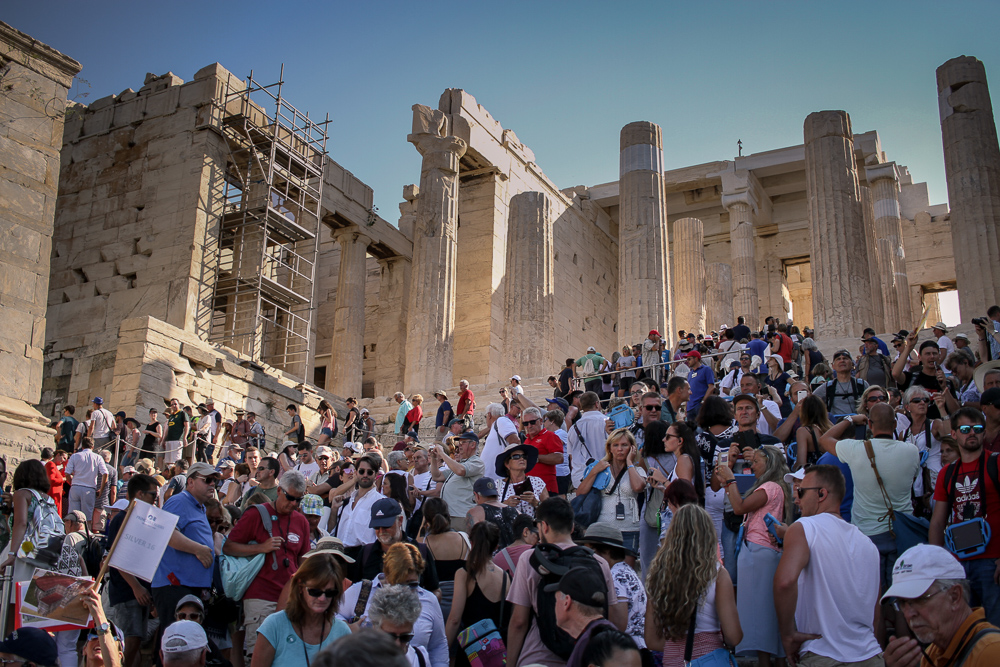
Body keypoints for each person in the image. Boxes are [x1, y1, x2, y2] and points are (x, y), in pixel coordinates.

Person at [819, 403, 920, 632]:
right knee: (900, 596)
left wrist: (852, 420)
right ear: (895, 425)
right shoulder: (911, 451)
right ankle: (903, 647)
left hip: (867, 535)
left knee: (873, 600)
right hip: (901, 532)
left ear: (871, 425)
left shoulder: (857, 449)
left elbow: (825, 439)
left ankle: (878, 651)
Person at [773, 465, 882, 666]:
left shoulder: (804, 528)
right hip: (870, 655)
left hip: (823, 654)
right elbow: (875, 613)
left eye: (801, 491)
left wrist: (787, 635)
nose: (797, 499)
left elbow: (784, 582)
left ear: (821, 494)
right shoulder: (868, 545)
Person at [505, 497, 625, 667]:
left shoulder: (530, 559)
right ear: (572, 527)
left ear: (543, 526)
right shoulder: (599, 562)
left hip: (538, 658)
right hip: (585, 658)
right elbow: (615, 619)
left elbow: (519, 622)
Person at [715, 445, 791, 666]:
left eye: (756, 461)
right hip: (760, 551)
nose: (752, 466)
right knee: (763, 609)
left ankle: (768, 662)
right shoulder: (776, 487)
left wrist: (731, 481)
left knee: (762, 610)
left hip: (760, 552)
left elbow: (738, 508)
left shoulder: (770, 486)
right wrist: (728, 484)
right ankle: (772, 660)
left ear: (769, 464)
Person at [225, 470, 311, 655]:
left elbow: (303, 559)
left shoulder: (301, 521)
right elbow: (229, 547)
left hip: (290, 598)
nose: (294, 504)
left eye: (298, 500)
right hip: (260, 596)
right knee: (259, 656)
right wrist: (260, 548)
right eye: (290, 498)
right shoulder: (256, 514)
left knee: (288, 656)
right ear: (279, 491)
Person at [645, 504, 741, 667]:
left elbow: (651, 640)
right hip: (709, 659)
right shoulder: (717, 574)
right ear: (708, 535)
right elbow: (733, 636)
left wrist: (677, 648)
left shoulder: (658, 574)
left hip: (673, 661)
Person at [929, 407, 1000, 624]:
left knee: (995, 627)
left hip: (993, 561)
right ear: (954, 433)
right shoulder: (947, 472)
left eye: (977, 428)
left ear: (984, 432)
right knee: (965, 628)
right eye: (965, 429)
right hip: (959, 562)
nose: (972, 433)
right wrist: (937, 561)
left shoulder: (996, 463)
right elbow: (938, 520)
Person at [883, 544, 1000, 667]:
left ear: (954, 597)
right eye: (902, 602)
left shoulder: (991, 652)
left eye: (920, 599)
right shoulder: (934, 652)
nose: (908, 613)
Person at [338, 542, 448, 667]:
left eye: (412, 584)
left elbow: (438, 645)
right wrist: (346, 628)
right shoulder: (361, 592)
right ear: (387, 574)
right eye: (399, 584)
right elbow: (331, 618)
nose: (405, 590)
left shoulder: (429, 600)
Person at [151, 462, 218, 640]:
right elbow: (166, 533)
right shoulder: (179, 500)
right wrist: (198, 549)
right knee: (175, 641)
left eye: (215, 481)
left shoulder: (199, 507)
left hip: (187, 586)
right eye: (208, 480)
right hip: (175, 585)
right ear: (190, 482)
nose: (212, 484)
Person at [250, 552, 351, 667]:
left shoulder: (342, 631)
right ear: (300, 587)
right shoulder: (274, 626)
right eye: (315, 591)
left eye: (329, 592)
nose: (322, 598)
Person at [108, 473, 158, 667]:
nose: (155, 500)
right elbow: (116, 557)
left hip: (141, 591)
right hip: (127, 591)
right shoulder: (121, 519)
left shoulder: (143, 521)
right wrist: (136, 587)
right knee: (129, 641)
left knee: (136, 642)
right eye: (153, 495)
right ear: (139, 494)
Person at [575, 429, 647, 558]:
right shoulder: (600, 468)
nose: (620, 449)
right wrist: (594, 472)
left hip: (629, 528)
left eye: (624, 445)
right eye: (616, 445)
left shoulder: (637, 470)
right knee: (603, 571)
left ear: (632, 448)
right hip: (603, 527)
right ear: (610, 448)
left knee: (626, 571)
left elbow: (638, 487)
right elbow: (580, 493)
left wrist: (630, 462)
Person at [445, 521, 510, 665]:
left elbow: (454, 620)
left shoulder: (464, 574)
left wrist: (442, 652)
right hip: (498, 652)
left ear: (471, 542)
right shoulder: (506, 577)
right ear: (496, 547)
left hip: (471, 653)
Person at [579, 523, 646, 650]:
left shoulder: (616, 577)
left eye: (590, 551)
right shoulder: (625, 571)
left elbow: (618, 624)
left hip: (627, 650)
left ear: (606, 551)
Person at [548, 566, 615, 667]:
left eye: (556, 601)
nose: (555, 606)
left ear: (567, 602)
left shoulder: (593, 642)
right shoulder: (604, 635)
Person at [418, 498, 467, 622]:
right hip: (463, 603)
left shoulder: (424, 544)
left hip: (434, 605)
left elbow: (416, 543)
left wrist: (423, 524)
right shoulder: (463, 538)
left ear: (426, 519)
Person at [429, 432, 484, 531]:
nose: (459, 446)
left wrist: (442, 453)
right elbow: (436, 476)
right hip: (450, 514)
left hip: (461, 515)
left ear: (473, 445)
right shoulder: (460, 464)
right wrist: (433, 458)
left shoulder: (477, 462)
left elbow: (461, 471)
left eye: (463, 442)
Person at [368, 585, 431, 667]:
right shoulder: (358, 661)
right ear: (375, 628)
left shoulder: (419, 659)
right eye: (390, 636)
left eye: (405, 637)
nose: (397, 644)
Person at [332, 454, 385, 547]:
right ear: (356, 473)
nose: (365, 475)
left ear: (376, 475)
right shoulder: (346, 502)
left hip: (363, 555)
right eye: (361, 471)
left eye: (369, 472)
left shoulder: (381, 502)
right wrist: (334, 510)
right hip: (340, 553)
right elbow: (332, 530)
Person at [65, 435, 108, 531]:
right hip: (89, 488)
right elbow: (105, 473)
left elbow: (67, 472)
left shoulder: (75, 456)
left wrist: (71, 482)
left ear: (82, 446)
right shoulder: (98, 457)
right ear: (92, 446)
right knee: (87, 518)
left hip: (76, 486)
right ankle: (86, 537)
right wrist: (101, 489)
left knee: (73, 516)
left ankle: (70, 535)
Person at [568, 392, 610, 487]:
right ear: (597, 404)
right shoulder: (608, 422)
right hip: (604, 476)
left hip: (580, 478)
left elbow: (571, 456)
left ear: (581, 407)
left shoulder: (572, 428)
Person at [496, 442, 549, 517]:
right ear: (507, 464)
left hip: (532, 527)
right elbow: (491, 513)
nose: (521, 459)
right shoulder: (498, 485)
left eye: (524, 456)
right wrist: (505, 505)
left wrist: (536, 503)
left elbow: (550, 511)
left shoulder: (537, 482)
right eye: (516, 456)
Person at [813, 349, 869, 416]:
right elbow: (811, 402)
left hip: (859, 424)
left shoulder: (862, 385)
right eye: (838, 359)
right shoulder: (827, 387)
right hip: (836, 424)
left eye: (845, 358)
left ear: (852, 364)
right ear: (833, 366)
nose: (842, 361)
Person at [465, 477, 518, 546]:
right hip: (517, 555)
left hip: (490, 556)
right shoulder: (516, 511)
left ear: (477, 495)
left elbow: (473, 541)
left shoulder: (475, 512)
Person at [792, 395, 834, 470]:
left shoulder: (803, 431)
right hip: (834, 471)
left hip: (816, 473)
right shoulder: (832, 428)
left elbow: (801, 464)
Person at [482, 402, 520, 480]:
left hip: (498, 479)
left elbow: (515, 441)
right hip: (492, 478)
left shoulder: (501, 421)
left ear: (489, 415)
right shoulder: (497, 424)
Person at [683, 351, 715, 421]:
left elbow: (711, 387)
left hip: (699, 405)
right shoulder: (690, 373)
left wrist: (703, 402)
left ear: (696, 359)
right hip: (690, 408)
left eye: (689, 359)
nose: (687, 361)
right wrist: (686, 407)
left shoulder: (706, 369)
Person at [160, 398, 191, 468]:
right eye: (172, 404)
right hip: (169, 440)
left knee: (176, 461)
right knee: (168, 461)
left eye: (175, 404)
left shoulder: (182, 413)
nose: (174, 406)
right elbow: (168, 429)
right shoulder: (171, 416)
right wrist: (164, 440)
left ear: (178, 404)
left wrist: (185, 438)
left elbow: (187, 426)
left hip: (177, 439)